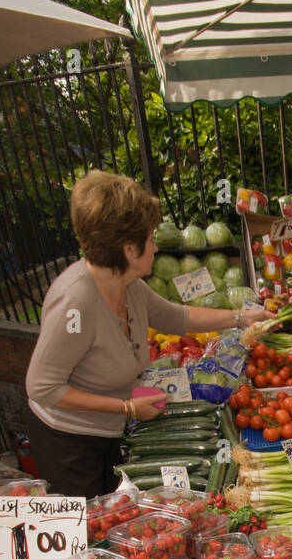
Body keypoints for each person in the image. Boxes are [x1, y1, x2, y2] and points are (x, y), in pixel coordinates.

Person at [26, 170, 271, 497]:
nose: (156, 248)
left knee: (115, 507)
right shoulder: (75, 303)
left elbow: (178, 317)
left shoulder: (129, 287)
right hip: (68, 443)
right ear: (129, 249)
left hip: (107, 433)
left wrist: (242, 317)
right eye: (150, 239)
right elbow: (42, 387)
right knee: (89, 527)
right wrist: (127, 408)